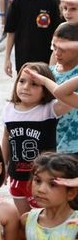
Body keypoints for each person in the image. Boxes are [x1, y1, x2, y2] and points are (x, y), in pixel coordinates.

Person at [2, 63, 72, 215]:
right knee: (25, 219)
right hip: (17, 176)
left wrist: (45, 80)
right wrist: (3, 163)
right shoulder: (8, 108)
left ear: (44, 89)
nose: (26, 87)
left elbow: (67, 99)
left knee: (45, 217)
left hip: (43, 178)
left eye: (34, 84)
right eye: (22, 81)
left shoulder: (49, 109)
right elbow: (7, 136)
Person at [4, 0, 61, 77]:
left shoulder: (52, 2)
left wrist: (55, 62)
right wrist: (7, 58)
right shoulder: (17, 2)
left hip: (45, 62)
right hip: (23, 60)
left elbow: (59, 36)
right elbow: (11, 32)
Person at [22, 153, 78, 239]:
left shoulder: (75, 225)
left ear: (71, 193)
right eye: (38, 180)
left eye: (52, 184)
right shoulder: (27, 220)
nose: (41, 189)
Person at [49, 22, 78, 155]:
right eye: (54, 47)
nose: (57, 53)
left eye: (63, 49)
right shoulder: (50, 72)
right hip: (53, 145)